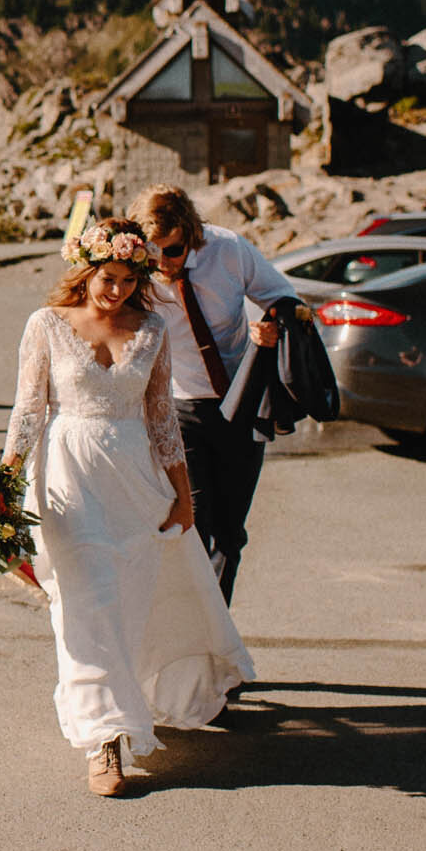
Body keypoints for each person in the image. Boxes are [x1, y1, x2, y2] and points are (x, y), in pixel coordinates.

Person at [0, 217, 253, 797]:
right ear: (86, 271)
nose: (114, 291)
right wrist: (0, 489)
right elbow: (27, 412)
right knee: (86, 605)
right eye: (106, 278)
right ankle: (104, 741)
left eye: (126, 280)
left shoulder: (153, 328)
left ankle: (128, 702)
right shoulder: (47, 325)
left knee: (130, 603)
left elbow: (162, 417)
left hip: (137, 482)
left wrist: (184, 498)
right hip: (66, 479)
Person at [128, 184, 298, 604]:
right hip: (182, 407)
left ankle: (216, 626)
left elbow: (281, 295)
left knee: (230, 533)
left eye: (174, 251)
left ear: (192, 235)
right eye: (154, 252)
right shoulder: (138, 270)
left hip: (241, 402)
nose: (164, 264)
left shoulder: (228, 249)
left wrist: (272, 323)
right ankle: (191, 627)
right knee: (191, 524)